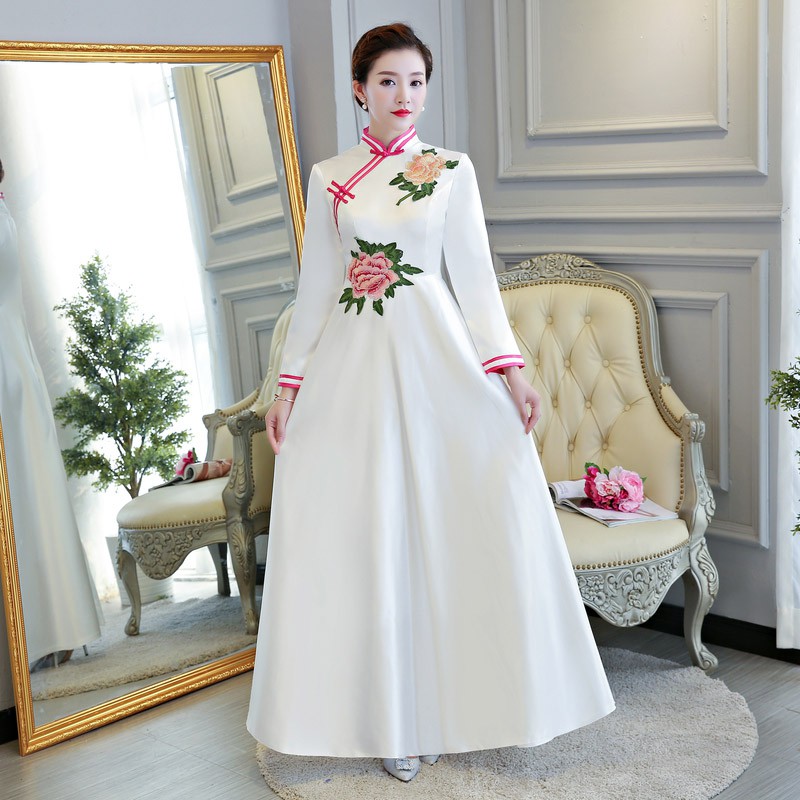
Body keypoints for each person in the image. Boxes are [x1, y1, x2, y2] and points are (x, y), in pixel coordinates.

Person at [247, 23, 615, 783]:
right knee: (369, 534)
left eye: (416, 82)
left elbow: (474, 280)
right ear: (360, 89)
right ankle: (390, 719)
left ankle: (455, 706)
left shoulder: (448, 169)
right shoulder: (330, 177)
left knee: (451, 525)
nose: (404, 95)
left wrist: (512, 375)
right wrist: (288, 385)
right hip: (353, 373)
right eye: (388, 81)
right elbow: (317, 287)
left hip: (437, 364)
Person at [0, 158, 103, 670]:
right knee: (32, 493)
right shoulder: (5, 212)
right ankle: (56, 624)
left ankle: (42, 630)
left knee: (25, 495)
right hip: (16, 361)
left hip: (8, 368)